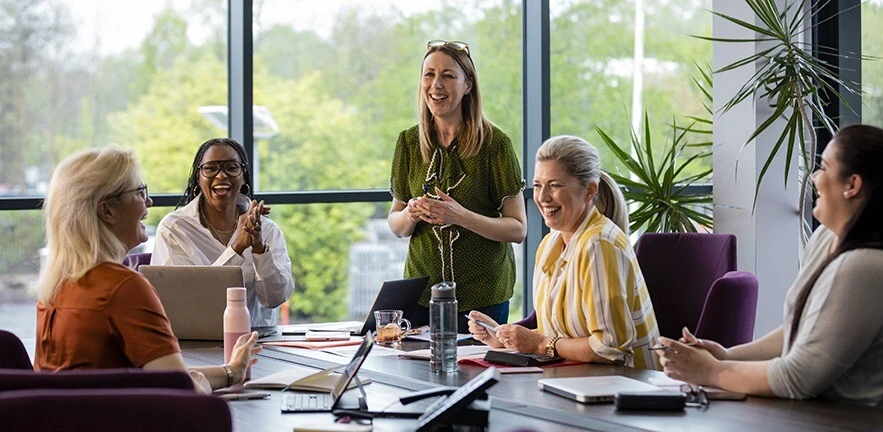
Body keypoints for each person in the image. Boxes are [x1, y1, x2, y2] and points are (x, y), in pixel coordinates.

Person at [658, 124, 883, 405]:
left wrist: (711, 371)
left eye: (823, 167)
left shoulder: (865, 267)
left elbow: (797, 378)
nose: (813, 177)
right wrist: (726, 356)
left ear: (852, 185)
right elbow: (800, 332)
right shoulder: (825, 238)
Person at [35, 146, 260, 393]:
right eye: (140, 192)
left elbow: (153, 377)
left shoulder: (56, 285)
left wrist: (230, 371)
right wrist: (207, 382)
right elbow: (180, 391)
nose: (149, 201)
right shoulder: (123, 288)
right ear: (107, 211)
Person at [468, 135, 660, 369]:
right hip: (575, 379)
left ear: (589, 191)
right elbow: (562, 333)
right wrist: (504, 338)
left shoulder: (599, 245)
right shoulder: (551, 244)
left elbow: (610, 348)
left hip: (621, 389)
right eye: (538, 185)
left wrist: (538, 344)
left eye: (555, 185)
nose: (542, 197)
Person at [388, 40, 527, 330]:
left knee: (472, 373)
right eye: (429, 74)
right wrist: (411, 213)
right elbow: (397, 225)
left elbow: (518, 229)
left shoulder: (496, 145)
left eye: (448, 75)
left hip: (482, 296)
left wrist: (459, 216)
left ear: (468, 85)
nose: (436, 85)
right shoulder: (408, 143)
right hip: (422, 296)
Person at [152, 137, 294, 327]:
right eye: (210, 168)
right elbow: (185, 303)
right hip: (195, 343)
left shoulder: (266, 229)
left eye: (231, 167)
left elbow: (275, 298)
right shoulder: (175, 229)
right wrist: (236, 248)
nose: (221, 176)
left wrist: (259, 249)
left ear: (243, 175)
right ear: (198, 177)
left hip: (258, 341)